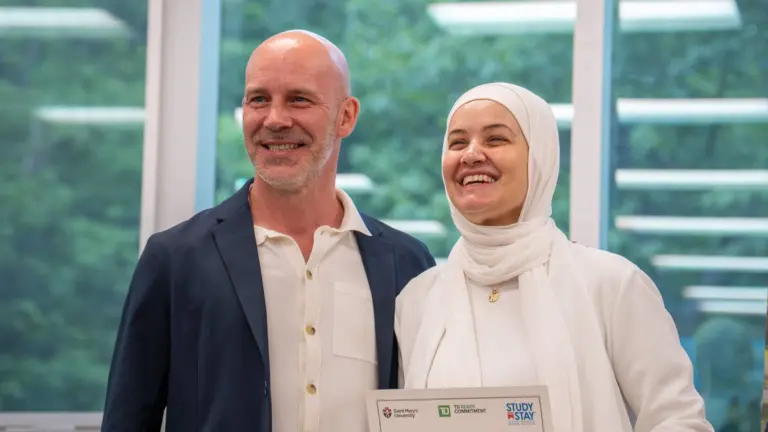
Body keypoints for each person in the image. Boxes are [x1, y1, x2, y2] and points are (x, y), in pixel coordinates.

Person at [102, 30, 435, 432]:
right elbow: (128, 418)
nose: (275, 120)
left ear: (346, 116)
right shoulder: (175, 258)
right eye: (259, 99)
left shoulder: (408, 264)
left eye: (299, 99)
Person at [395, 82, 714, 431]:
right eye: (457, 142)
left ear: (539, 156)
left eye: (495, 139)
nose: (471, 154)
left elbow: (678, 420)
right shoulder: (418, 300)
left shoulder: (610, 284)